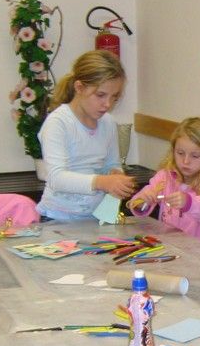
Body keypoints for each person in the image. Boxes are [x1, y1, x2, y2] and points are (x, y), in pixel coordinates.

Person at [36, 50, 136, 221]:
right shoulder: (59, 122)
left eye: (114, 97)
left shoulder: (108, 123)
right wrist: (102, 182)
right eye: (101, 95)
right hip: (57, 217)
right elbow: (56, 178)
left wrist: (116, 175)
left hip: (94, 217)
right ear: (79, 87)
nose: (107, 104)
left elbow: (112, 164)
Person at [127, 117, 200, 246]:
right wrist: (142, 202)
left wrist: (190, 203)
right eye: (180, 153)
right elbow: (138, 202)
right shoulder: (165, 177)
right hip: (171, 247)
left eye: (195, 156)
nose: (186, 161)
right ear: (173, 151)